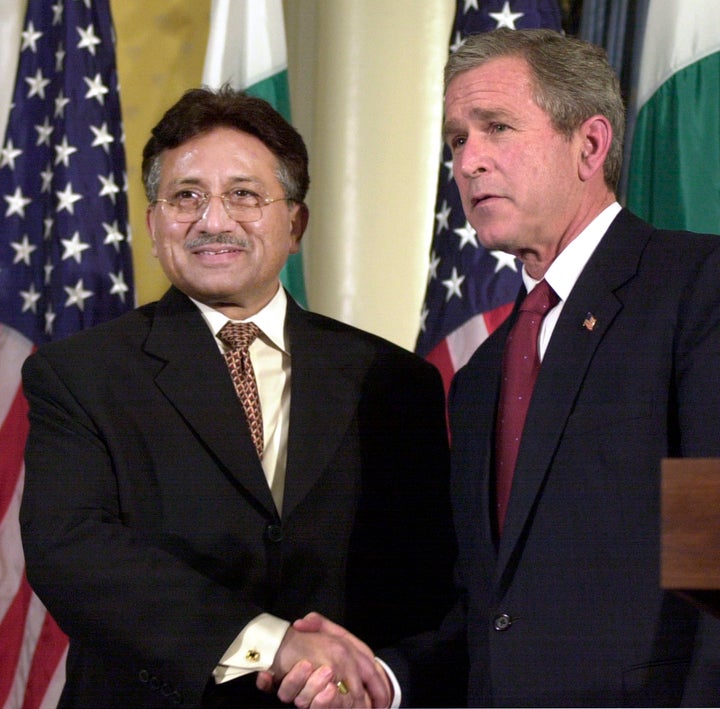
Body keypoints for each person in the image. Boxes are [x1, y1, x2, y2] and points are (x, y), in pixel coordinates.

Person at [273, 28, 720, 707]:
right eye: (457, 139)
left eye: (497, 128)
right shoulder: (483, 375)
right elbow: (490, 614)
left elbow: (713, 553)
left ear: (590, 145)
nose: (469, 161)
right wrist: (383, 681)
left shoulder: (695, 288)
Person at [19, 86, 457, 708]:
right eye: (186, 196)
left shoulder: (393, 381)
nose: (213, 221)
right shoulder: (80, 374)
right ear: (152, 223)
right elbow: (72, 550)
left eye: (244, 195)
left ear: (296, 223)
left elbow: (427, 582)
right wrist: (269, 644)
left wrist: (376, 680)